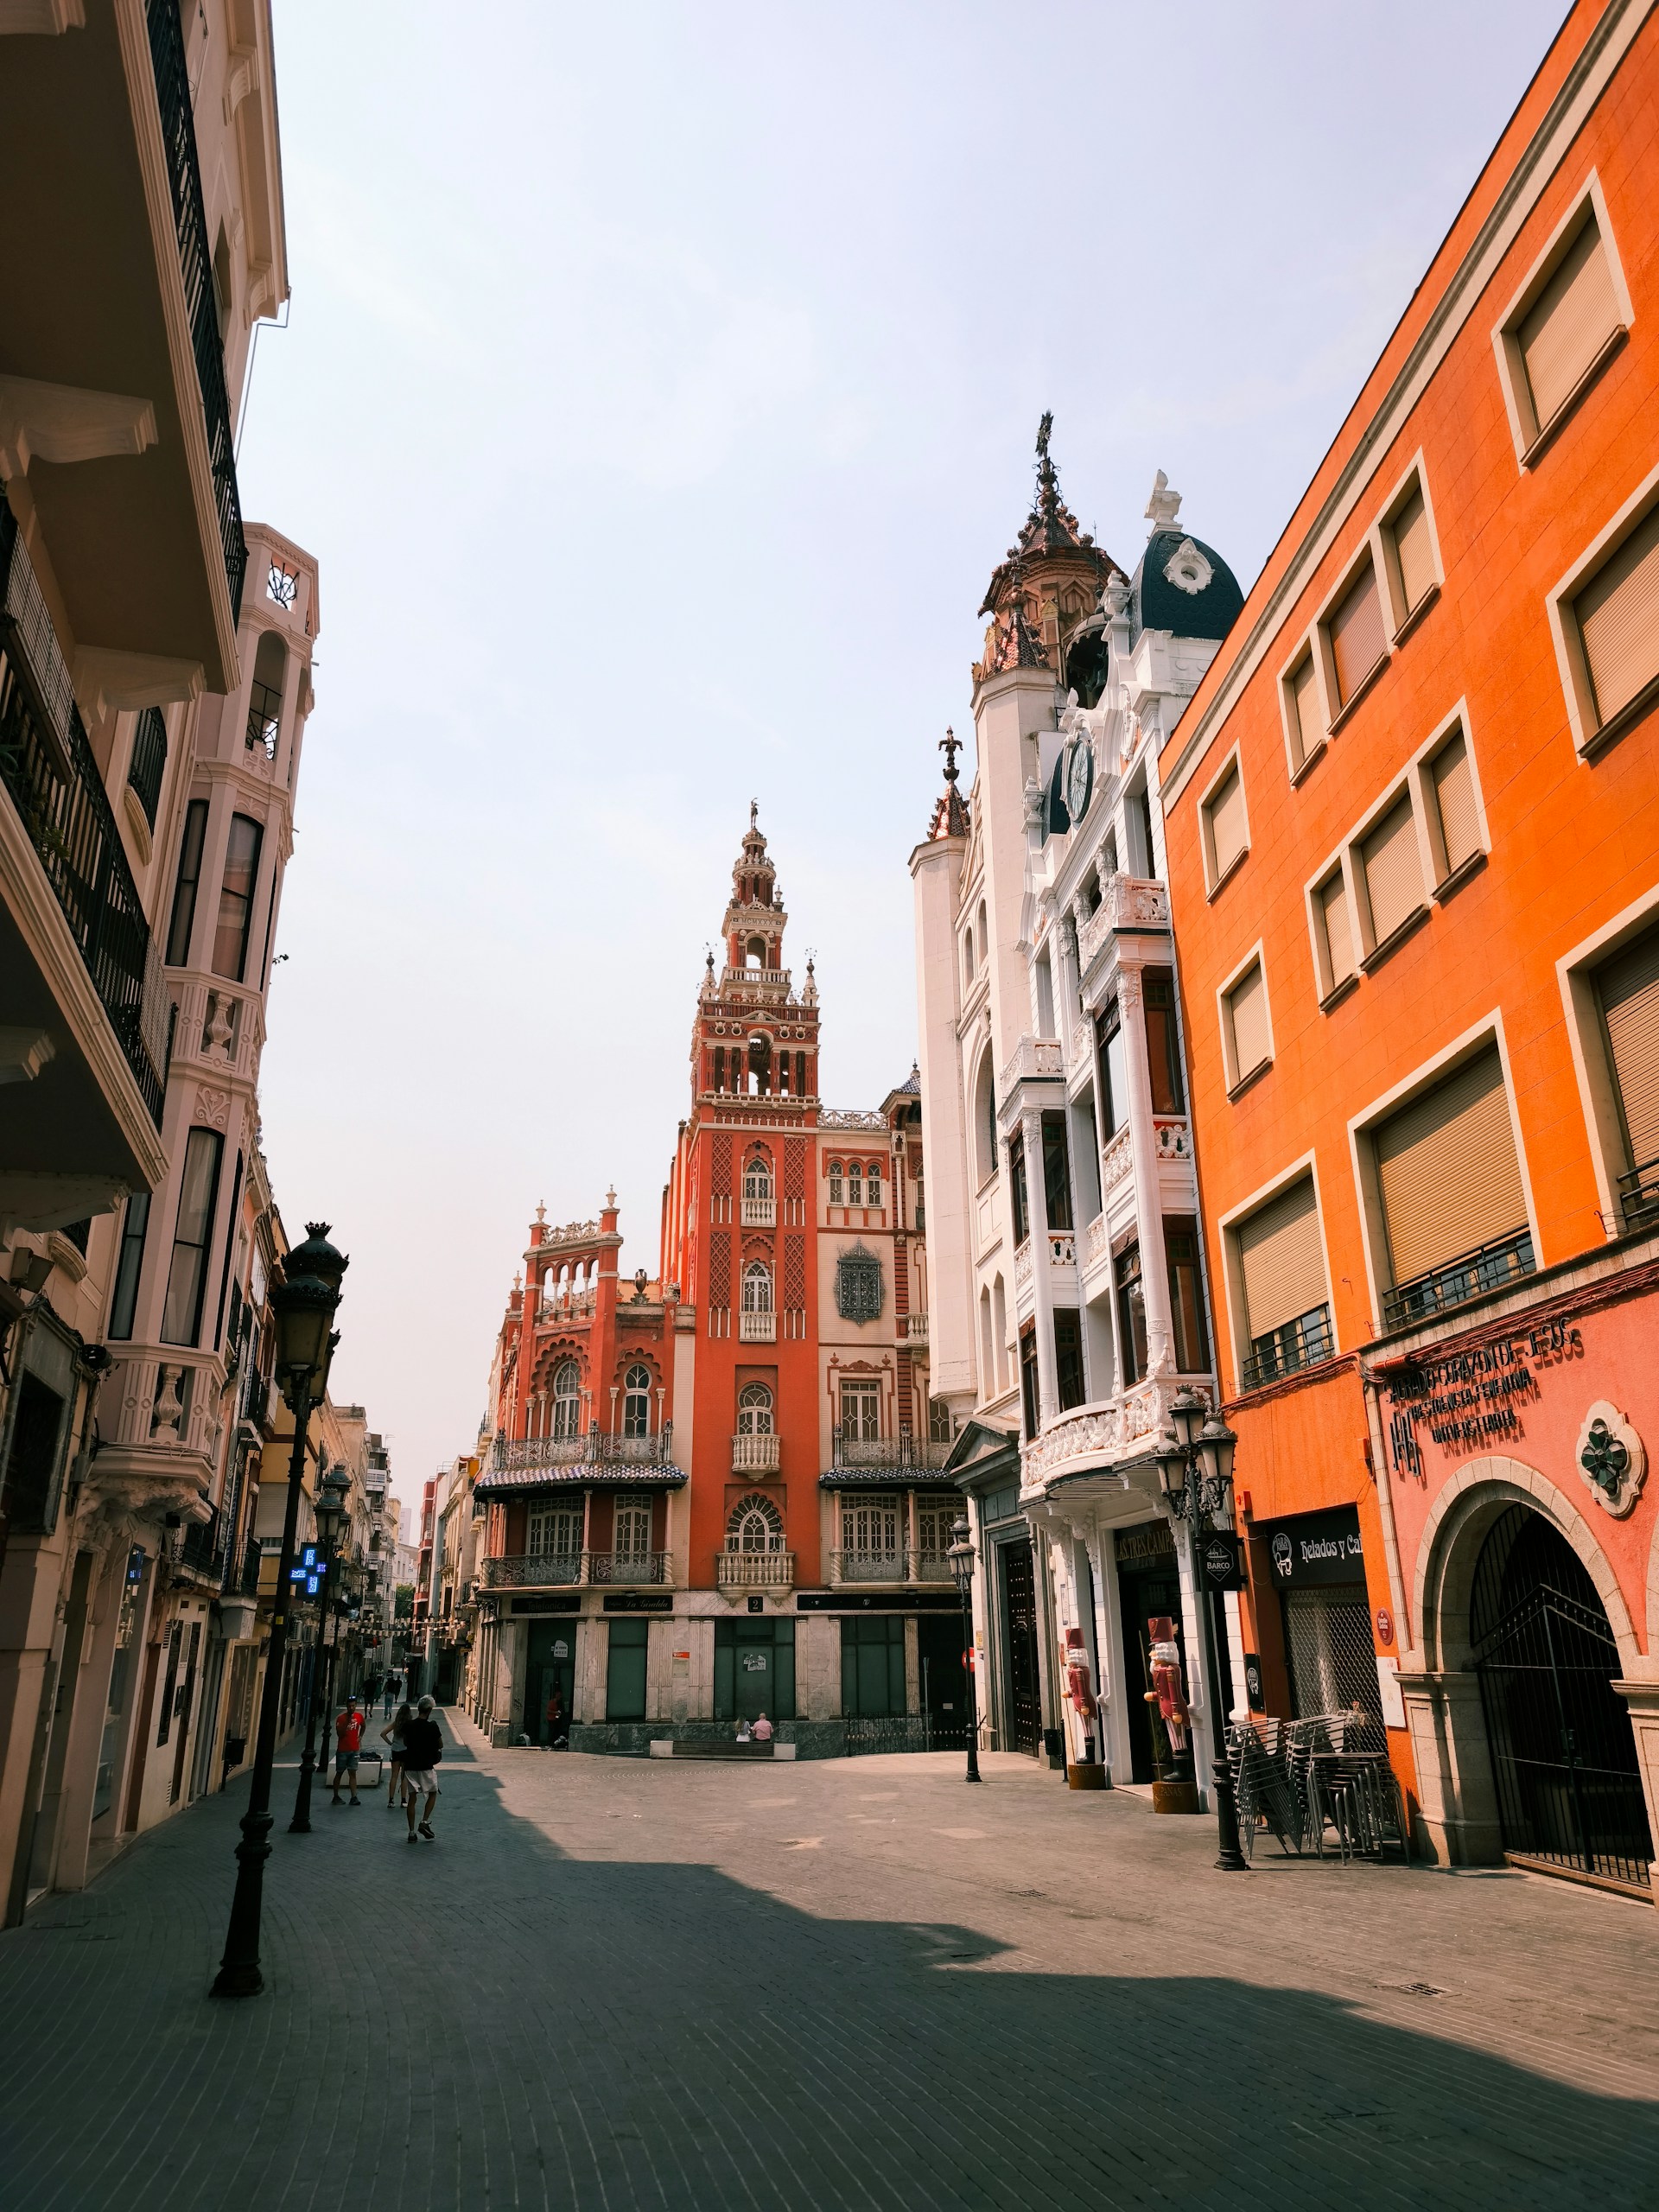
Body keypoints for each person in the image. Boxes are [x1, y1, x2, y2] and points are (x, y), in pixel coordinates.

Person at [400, 1694, 443, 1843]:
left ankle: (411, 1833)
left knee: (412, 1798)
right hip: (426, 1767)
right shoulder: (432, 1726)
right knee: (432, 1793)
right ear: (430, 1710)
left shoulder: (408, 1725)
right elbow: (441, 1745)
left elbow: (405, 1742)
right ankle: (424, 1822)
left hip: (410, 1766)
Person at [331, 1695, 367, 1805]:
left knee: (353, 1773)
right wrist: (348, 1722)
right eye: (349, 1706)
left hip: (354, 1750)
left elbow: (363, 1726)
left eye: (353, 1706)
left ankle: (354, 1797)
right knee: (339, 1773)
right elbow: (340, 1734)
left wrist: (360, 1737)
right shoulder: (341, 1718)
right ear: (347, 1706)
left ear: (356, 1706)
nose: (351, 1708)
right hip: (343, 1750)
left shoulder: (359, 1716)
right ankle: (336, 1796)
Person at [382, 1698, 413, 1810]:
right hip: (406, 1751)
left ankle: (391, 1800)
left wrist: (391, 1743)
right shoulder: (410, 1724)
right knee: (404, 1777)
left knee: (394, 1775)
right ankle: (404, 1800)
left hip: (395, 1750)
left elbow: (383, 1733)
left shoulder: (396, 1723)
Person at [543, 1683, 567, 1749]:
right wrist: (555, 1712)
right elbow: (548, 1710)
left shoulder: (559, 1703)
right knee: (551, 1732)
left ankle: (554, 1743)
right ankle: (549, 1743)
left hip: (556, 1719)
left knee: (555, 1732)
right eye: (558, 1695)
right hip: (551, 1719)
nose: (559, 1697)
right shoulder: (552, 1702)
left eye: (560, 1696)